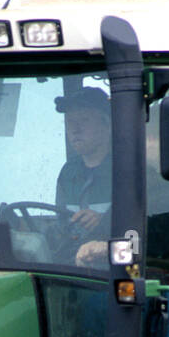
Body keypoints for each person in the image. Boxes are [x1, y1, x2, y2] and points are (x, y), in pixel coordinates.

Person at [53, 87, 114, 261]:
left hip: (112, 266)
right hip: (74, 263)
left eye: (83, 120)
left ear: (107, 125)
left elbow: (141, 229)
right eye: (69, 122)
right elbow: (61, 226)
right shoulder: (68, 172)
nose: (74, 129)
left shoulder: (128, 168)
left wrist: (103, 221)